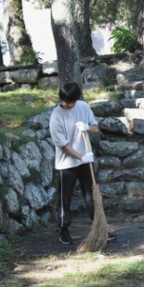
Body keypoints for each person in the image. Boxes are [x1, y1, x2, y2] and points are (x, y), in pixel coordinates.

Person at [49, 82, 115, 245]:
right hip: (67, 164)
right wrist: (81, 157)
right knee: (65, 198)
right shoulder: (56, 116)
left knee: (92, 195)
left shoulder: (83, 107)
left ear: (77, 99)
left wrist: (86, 127)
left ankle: (100, 227)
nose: (69, 105)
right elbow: (63, 145)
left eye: (72, 102)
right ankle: (63, 230)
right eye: (66, 102)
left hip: (86, 161)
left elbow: (95, 128)